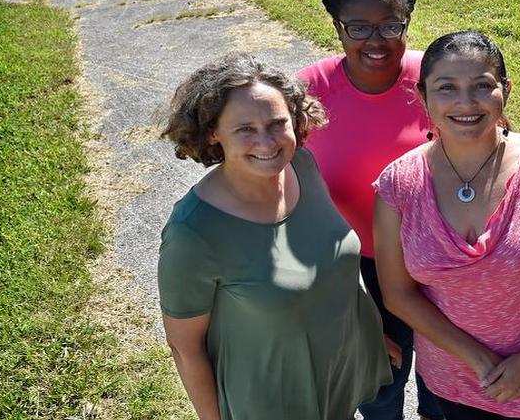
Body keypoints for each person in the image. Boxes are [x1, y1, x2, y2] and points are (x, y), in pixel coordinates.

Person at [375, 31, 520, 420]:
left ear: (506, 91)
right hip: (453, 384)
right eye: (447, 87)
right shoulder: (399, 183)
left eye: (482, 85)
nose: (466, 102)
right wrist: (479, 360)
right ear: (422, 95)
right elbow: (398, 294)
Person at [157, 52, 391, 420]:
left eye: (276, 123)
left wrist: (368, 334)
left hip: (337, 376)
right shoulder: (194, 233)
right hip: (271, 400)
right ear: (213, 133)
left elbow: (331, 267)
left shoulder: (303, 165)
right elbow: (185, 348)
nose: (266, 143)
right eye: (245, 129)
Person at [298, 0, 445, 420]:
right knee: (380, 381)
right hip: (356, 264)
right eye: (357, 27)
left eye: (390, 25)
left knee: (447, 380)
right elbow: (283, 191)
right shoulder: (307, 91)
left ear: (407, 23)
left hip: (442, 254)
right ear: (337, 28)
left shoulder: (437, 75)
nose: (375, 40)